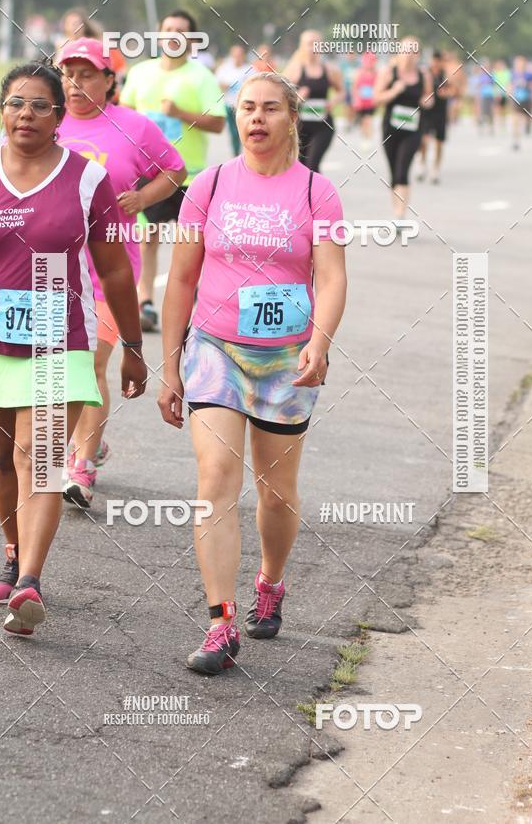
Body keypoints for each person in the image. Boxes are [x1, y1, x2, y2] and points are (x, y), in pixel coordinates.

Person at [158, 72, 346, 675]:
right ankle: (220, 623)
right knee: (215, 477)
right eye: (247, 108)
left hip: (286, 359)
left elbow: (334, 275)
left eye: (270, 108)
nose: (257, 118)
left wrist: (319, 341)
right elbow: (181, 279)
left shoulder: (318, 192)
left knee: (276, 491)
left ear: (292, 118)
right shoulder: (208, 186)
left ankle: (271, 580)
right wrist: (170, 366)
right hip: (215, 350)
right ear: (235, 117)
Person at [0, 63, 146, 635]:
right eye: (16, 103)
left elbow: (114, 270)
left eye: (40, 105)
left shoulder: (87, 180)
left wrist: (134, 346)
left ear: (59, 117)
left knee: (34, 459)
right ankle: (14, 555)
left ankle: (29, 583)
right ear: (2, 109)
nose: (26, 114)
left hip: (58, 339)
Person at [57, 39, 187, 507]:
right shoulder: (48, 122)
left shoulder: (133, 126)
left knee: (92, 363)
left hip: (110, 268)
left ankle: (80, 467)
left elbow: (174, 169)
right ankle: (88, 438)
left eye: (87, 73)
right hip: (53, 266)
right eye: (68, 73)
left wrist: (142, 199)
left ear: (110, 79)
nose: (75, 84)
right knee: (59, 367)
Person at [120, 9, 226, 332]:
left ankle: (198, 301)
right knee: (147, 238)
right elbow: (123, 112)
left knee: (192, 244)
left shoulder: (202, 77)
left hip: (190, 177)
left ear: (192, 40)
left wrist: (180, 112)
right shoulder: (140, 73)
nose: (174, 36)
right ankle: (145, 303)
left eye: (181, 31)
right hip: (148, 173)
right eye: (168, 29)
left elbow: (219, 123)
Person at [373, 36, 433, 218]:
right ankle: (396, 211)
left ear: (418, 55)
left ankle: (400, 215)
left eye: (413, 52)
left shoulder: (424, 75)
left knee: (402, 170)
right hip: (391, 128)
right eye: (406, 51)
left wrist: (427, 101)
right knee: (394, 172)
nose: (409, 56)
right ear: (399, 53)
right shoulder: (388, 72)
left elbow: (430, 98)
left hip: (413, 129)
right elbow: (376, 98)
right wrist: (394, 91)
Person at [283, 30, 345, 172]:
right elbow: (280, 96)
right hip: (299, 127)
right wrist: (297, 97)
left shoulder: (329, 70)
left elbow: (341, 92)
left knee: (312, 165)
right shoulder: (294, 69)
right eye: (309, 44)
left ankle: (317, 194)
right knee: (299, 166)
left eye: (316, 44)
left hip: (322, 126)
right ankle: (304, 194)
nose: (312, 48)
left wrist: (333, 101)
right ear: (302, 46)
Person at [418, 50, 456, 184]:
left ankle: (436, 169)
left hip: (440, 112)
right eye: (434, 60)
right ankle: (422, 165)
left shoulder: (445, 75)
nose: (435, 63)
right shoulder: (425, 73)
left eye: (438, 61)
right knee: (424, 140)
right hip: (427, 112)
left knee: (439, 142)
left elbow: (453, 90)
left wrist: (446, 93)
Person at [216, 44, 252, 155]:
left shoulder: (249, 69)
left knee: (245, 131)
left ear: (243, 55)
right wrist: (224, 86)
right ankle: (236, 154)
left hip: (245, 107)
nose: (237, 57)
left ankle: (248, 154)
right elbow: (217, 84)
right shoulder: (224, 69)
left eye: (239, 55)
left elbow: (253, 86)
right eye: (235, 55)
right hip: (228, 105)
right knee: (233, 132)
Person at [352, 51, 377, 147]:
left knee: (368, 119)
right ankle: (364, 136)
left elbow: (378, 87)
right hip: (361, 102)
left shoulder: (376, 74)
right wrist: (356, 99)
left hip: (371, 102)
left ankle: (368, 138)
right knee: (363, 121)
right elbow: (355, 88)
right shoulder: (359, 73)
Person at [510, 56, 532, 150]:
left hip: (527, 99)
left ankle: (528, 126)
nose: (518, 65)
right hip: (516, 99)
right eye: (517, 63)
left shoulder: (529, 74)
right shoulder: (513, 74)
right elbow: (510, 84)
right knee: (515, 120)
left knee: (526, 118)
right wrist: (510, 91)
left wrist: (526, 84)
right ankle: (516, 141)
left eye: (520, 63)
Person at [492, 59, 511, 133]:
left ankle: (503, 124)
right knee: (497, 109)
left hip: (504, 94)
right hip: (497, 94)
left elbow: (508, 82)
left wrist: (508, 92)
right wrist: (496, 93)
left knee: (503, 110)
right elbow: (494, 84)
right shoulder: (495, 73)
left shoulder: (506, 73)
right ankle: (497, 125)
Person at [477, 61, 495, 135]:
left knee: (490, 113)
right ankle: (482, 128)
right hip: (483, 96)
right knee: (483, 113)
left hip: (490, 96)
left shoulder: (491, 75)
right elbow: (479, 86)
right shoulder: (481, 76)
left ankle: (491, 128)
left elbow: (494, 85)